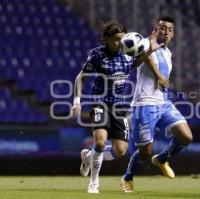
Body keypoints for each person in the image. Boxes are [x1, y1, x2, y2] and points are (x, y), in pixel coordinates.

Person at [70, 21, 167, 194]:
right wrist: (77, 100)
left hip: (119, 106)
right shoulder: (96, 55)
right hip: (100, 103)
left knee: (120, 150)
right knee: (100, 142)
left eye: (121, 39)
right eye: (115, 39)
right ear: (106, 39)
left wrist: (150, 49)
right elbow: (81, 77)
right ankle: (94, 183)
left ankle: (88, 156)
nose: (119, 43)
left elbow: (135, 64)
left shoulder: (127, 54)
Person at [120, 16, 193, 192]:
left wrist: (162, 79)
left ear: (173, 33)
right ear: (155, 29)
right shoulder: (144, 43)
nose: (166, 32)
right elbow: (134, 63)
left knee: (186, 136)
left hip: (163, 103)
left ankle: (162, 159)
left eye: (170, 29)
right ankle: (127, 177)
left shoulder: (168, 52)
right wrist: (158, 74)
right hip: (144, 104)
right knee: (145, 152)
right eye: (162, 28)